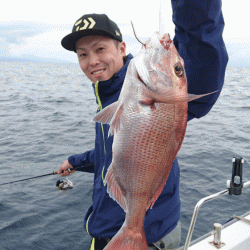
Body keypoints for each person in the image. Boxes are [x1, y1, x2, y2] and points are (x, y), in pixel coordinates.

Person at [55, 1, 228, 249]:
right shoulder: (115, 94)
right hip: (106, 232)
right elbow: (116, 153)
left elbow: (201, 59)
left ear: (122, 48)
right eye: (83, 54)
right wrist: (75, 161)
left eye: (100, 49)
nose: (92, 61)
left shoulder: (156, 94)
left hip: (146, 237)